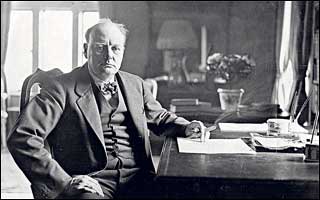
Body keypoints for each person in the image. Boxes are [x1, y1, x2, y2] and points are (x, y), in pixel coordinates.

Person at [7, 18, 206, 199]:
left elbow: (160, 117)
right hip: (92, 184)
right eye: (100, 48)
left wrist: (186, 126)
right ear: (86, 50)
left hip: (140, 178)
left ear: (123, 51)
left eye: (115, 48)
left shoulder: (135, 84)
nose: (109, 55)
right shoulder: (61, 88)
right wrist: (65, 182)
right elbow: (22, 137)